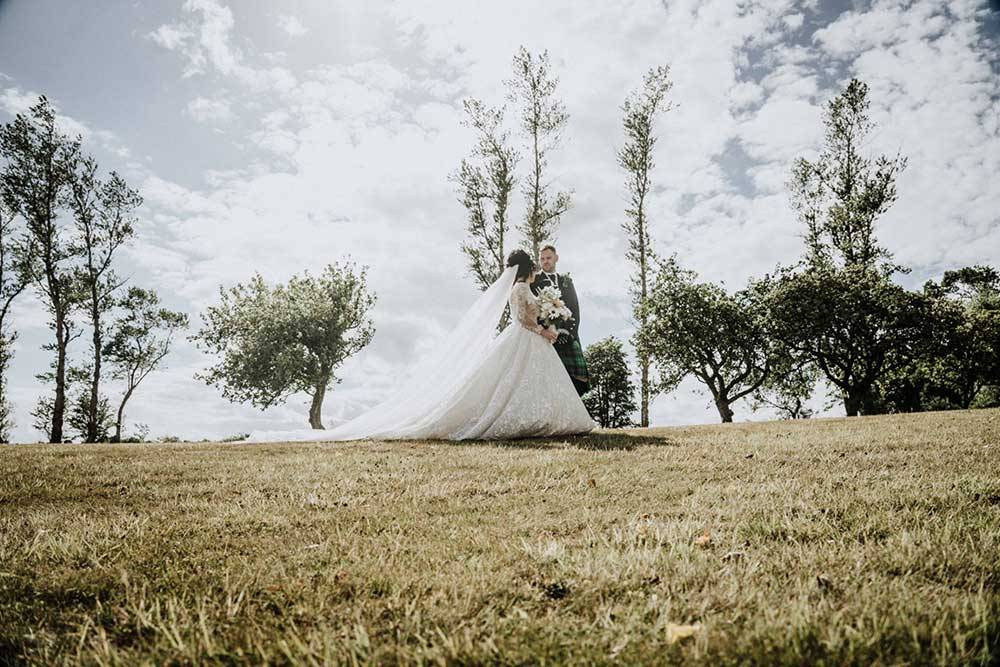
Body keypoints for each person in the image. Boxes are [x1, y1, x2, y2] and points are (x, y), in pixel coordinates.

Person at [244, 249, 595, 442]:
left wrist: (548, 321)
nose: (537, 270)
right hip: (527, 338)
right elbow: (522, 321)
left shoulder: (525, 288)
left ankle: (545, 421)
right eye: (534, 267)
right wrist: (545, 331)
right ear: (527, 271)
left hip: (531, 341)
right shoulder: (520, 290)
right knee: (508, 384)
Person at [531, 244, 590, 396]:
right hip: (545, 336)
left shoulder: (566, 280)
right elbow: (531, 309)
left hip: (568, 335)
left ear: (556, 258)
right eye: (542, 259)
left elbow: (574, 308)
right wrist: (546, 330)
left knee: (580, 377)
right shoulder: (535, 280)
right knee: (548, 376)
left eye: (548, 258)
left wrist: (569, 333)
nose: (545, 262)